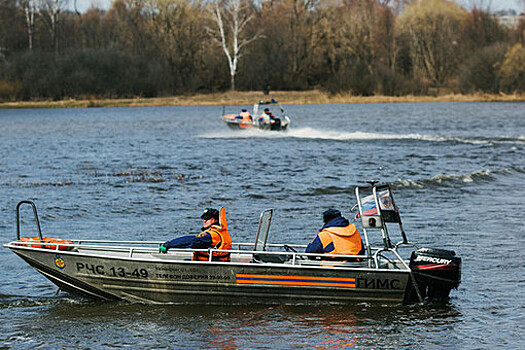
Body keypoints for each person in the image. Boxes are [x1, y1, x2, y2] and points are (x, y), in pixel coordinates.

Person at [159, 208, 232, 261]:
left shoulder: (211, 235)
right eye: (204, 218)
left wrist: (168, 245)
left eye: (207, 218)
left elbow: (192, 240)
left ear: (215, 220)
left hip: (208, 269)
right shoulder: (222, 232)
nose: (204, 221)